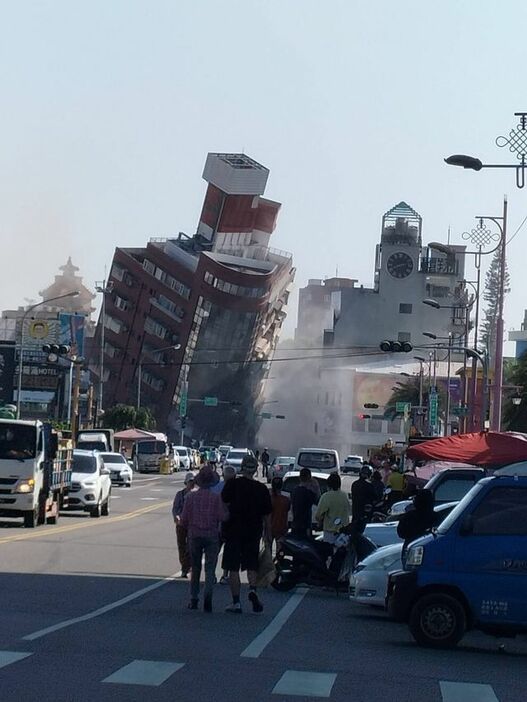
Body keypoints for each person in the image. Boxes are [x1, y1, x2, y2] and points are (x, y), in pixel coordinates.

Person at [221, 454, 272, 613]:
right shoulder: (262, 489)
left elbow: (223, 503)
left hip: (233, 530)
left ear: (242, 468)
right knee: (252, 565)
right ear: (256, 469)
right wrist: (268, 535)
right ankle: (252, 589)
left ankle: (236, 602)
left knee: (233, 568)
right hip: (253, 532)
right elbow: (267, 516)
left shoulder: (232, 484)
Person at [180, 465, 226, 612]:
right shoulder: (216, 498)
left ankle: (194, 598)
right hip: (212, 536)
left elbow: (184, 519)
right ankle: (208, 597)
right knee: (210, 568)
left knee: (196, 568)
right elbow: (222, 516)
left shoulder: (190, 497)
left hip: (194, 535)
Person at [397, 489, 437, 556]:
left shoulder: (408, 517)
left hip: (410, 548)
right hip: (430, 549)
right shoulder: (437, 517)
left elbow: (401, 533)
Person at [314, 472, 350, 543]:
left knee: (329, 551)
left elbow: (318, 515)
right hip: (344, 532)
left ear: (328, 485)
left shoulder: (326, 496)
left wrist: (320, 522)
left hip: (330, 532)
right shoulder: (345, 495)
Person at [172, 472, 195, 578]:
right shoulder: (179, 494)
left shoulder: (196, 495)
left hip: (192, 525)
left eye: (193, 481)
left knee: (191, 547)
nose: (192, 483)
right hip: (181, 524)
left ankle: (188, 567)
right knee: (181, 546)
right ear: (186, 482)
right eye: (190, 481)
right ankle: (184, 567)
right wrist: (176, 516)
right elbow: (175, 508)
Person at [290, 467, 319, 538]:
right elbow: (317, 500)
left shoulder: (294, 491)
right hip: (305, 525)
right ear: (309, 478)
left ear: (300, 478)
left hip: (295, 523)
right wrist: (316, 487)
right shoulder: (309, 493)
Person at [350, 464, 377, 534]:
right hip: (365, 512)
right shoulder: (369, 485)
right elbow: (375, 497)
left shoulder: (354, 484)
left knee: (354, 529)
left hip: (356, 511)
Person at [270, 477, 290, 550]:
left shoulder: (269, 499)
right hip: (282, 526)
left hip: (270, 526)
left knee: (268, 549)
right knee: (280, 549)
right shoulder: (286, 500)